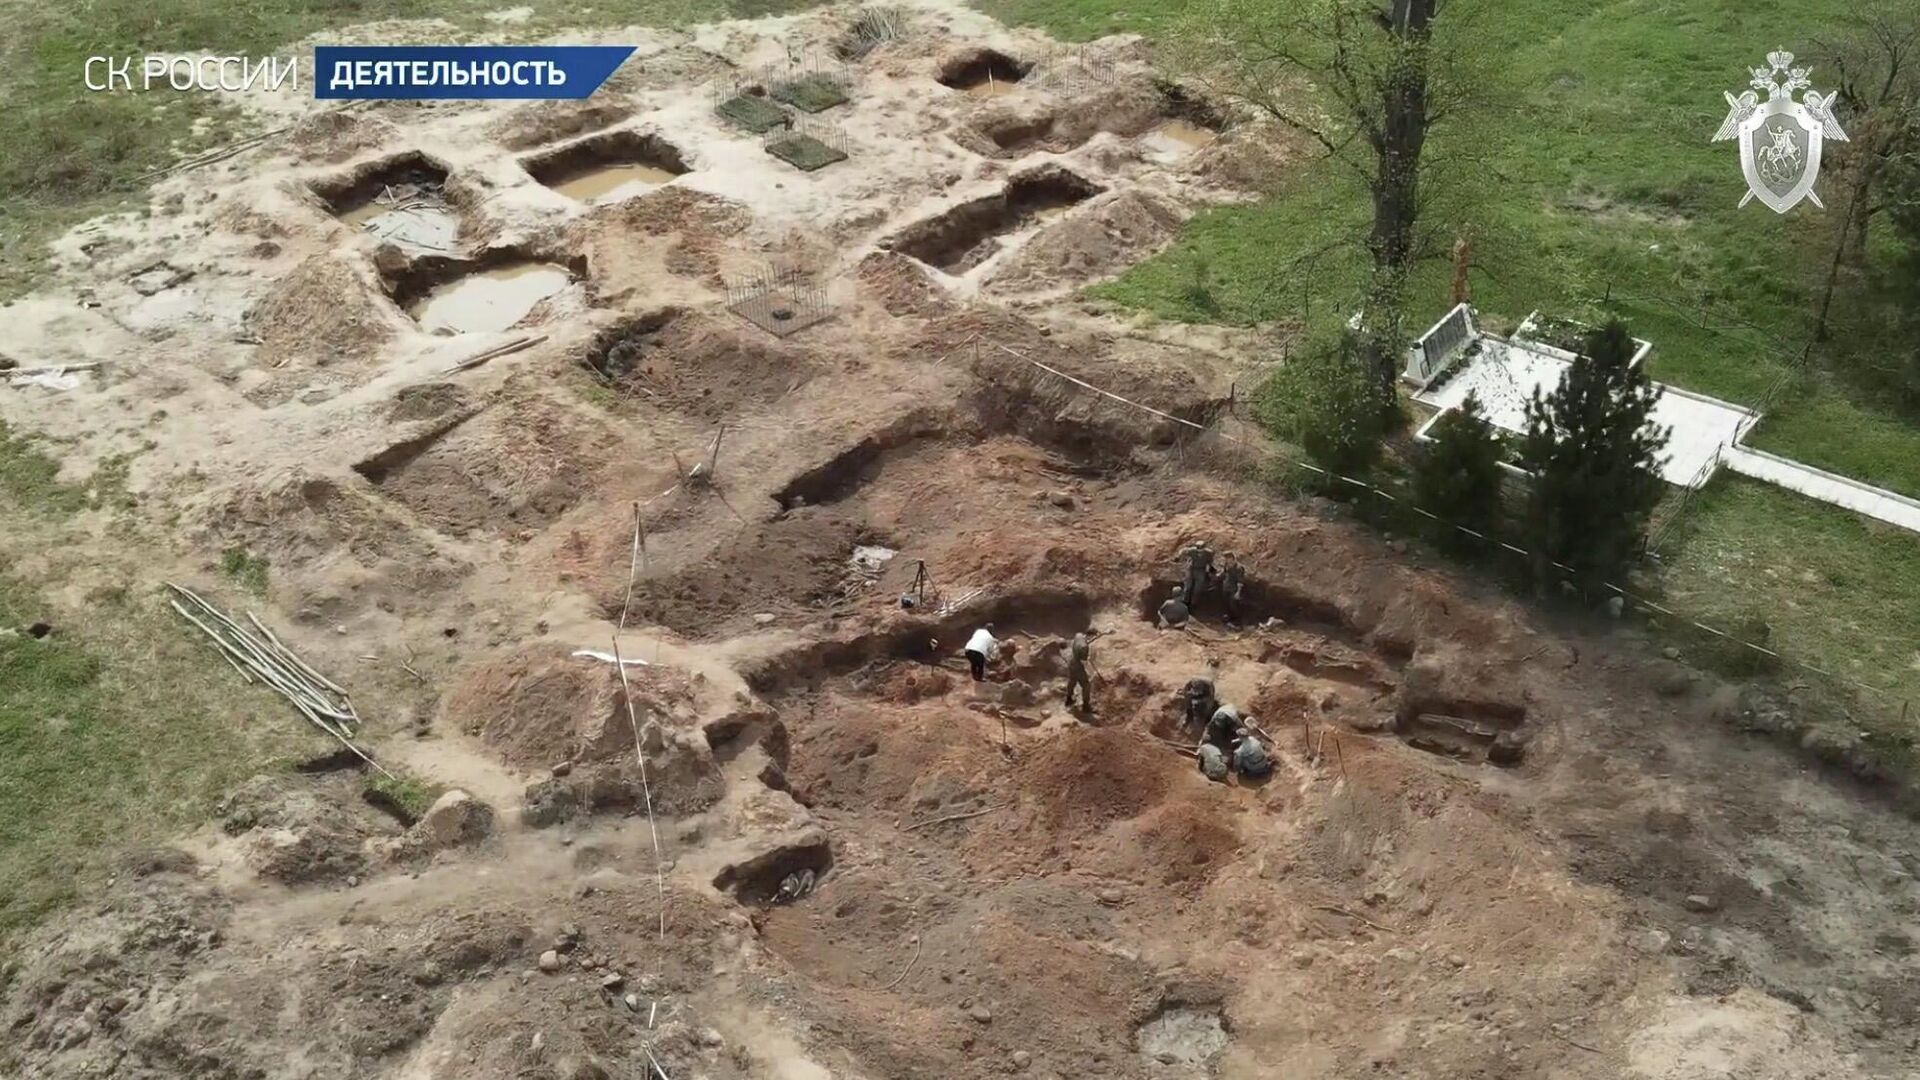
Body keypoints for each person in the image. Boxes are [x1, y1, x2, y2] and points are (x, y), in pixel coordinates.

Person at [1178, 541, 1215, 608]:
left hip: (1201, 570)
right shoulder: (1192, 550)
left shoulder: (1208, 553)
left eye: (1201, 550)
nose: (1199, 552)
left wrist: (1208, 569)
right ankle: (1185, 601)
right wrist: (1180, 556)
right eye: (1198, 550)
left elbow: (1210, 562)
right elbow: (1182, 551)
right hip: (1191, 568)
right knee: (1188, 586)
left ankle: (1193, 603)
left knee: (1197, 588)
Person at [1182, 662, 1219, 728]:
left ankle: (1207, 719)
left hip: (1206, 696)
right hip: (1197, 694)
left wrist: (1207, 704)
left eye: (1198, 691)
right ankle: (1189, 716)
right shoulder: (1193, 680)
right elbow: (1185, 689)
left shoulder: (1209, 683)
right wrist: (1187, 694)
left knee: (1207, 707)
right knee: (1188, 702)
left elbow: (1211, 696)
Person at [1064, 631, 1093, 711]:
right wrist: (1088, 659)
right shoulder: (1084, 647)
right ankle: (1086, 706)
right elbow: (1083, 662)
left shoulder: (1078, 635)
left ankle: (1068, 699)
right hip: (1078, 666)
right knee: (1086, 685)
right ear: (1091, 636)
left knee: (1072, 681)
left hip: (1071, 662)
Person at [1219, 553, 1246, 624]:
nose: (1227, 561)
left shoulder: (1239, 568)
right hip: (1226, 587)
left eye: (1228, 559)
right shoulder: (1226, 565)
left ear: (1232, 558)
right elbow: (1224, 573)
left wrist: (1238, 592)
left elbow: (1240, 581)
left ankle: (1237, 620)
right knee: (1226, 603)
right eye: (1226, 559)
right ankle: (1227, 617)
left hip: (1233, 589)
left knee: (1233, 605)